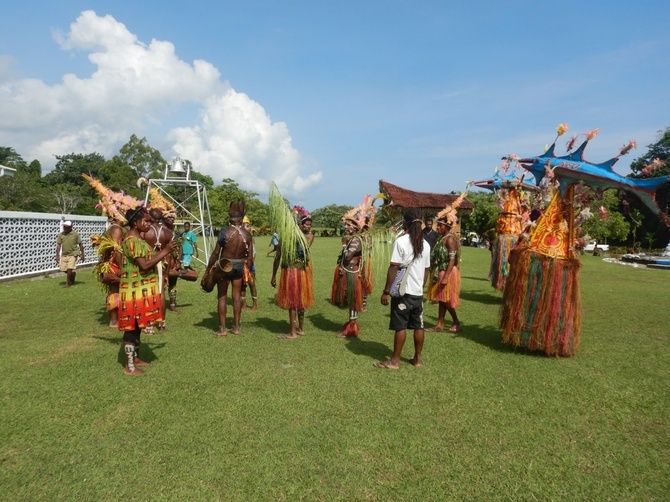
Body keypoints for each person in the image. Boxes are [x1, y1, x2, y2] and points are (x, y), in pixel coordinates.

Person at [117, 206, 177, 375]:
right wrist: (165, 251)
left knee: (137, 326)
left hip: (140, 291)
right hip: (132, 293)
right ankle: (129, 367)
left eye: (151, 221)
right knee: (131, 328)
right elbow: (144, 266)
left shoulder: (139, 240)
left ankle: (135, 359)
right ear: (136, 223)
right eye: (146, 221)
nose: (149, 224)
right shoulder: (131, 242)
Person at [376, 208, 431, 369]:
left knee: (400, 326)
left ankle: (394, 361)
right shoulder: (426, 244)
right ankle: (417, 359)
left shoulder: (401, 241)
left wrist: (386, 292)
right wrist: (421, 286)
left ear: (405, 222)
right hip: (417, 293)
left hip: (403, 292)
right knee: (418, 326)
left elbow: (393, 268)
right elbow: (426, 269)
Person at [204, 200, 253, 336]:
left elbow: (216, 253)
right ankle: (236, 328)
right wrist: (247, 270)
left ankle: (222, 329)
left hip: (225, 266)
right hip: (239, 266)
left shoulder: (225, 231)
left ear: (230, 218)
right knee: (236, 297)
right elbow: (250, 257)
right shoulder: (247, 234)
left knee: (222, 296)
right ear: (241, 219)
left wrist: (208, 269)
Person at [271, 211, 314, 339]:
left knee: (293, 301)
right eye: (305, 225)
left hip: (292, 272)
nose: (307, 227)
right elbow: (277, 257)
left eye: (308, 225)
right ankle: (300, 329)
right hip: (299, 271)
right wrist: (273, 275)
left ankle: (293, 332)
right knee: (299, 300)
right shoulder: (293, 237)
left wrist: (273, 276)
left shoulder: (304, 237)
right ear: (299, 224)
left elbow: (278, 257)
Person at [426, 216, 462, 333]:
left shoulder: (450, 239)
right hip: (441, 270)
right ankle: (440, 324)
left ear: (447, 227)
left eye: (440, 225)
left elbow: (452, 260)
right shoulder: (441, 238)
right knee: (441, 299)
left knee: (446, 299)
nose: (438, 227)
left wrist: (446, 276)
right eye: (438, 225)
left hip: (448, 271)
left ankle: (456, 321)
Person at [55, 221, 85, 288]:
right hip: (64, 254)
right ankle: (72, 275)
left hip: (73, 253)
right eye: (64, 227)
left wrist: (82, 255)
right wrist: (57, 256)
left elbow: (80, 245)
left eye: (67, 227)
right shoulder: (61, 235)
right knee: (63, 269)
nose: (65, 228)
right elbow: (58, 246)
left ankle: (68, 283)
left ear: (71, 227)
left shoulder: (75, 234)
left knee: (69, 268)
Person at [241, 216, 258, 311]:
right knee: (242, 285)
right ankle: (243, 303)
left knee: (252, 284)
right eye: (246, 226)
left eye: (249, 226)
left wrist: (249, 264)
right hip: (241, 265)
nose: (249, 228)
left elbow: (254, 253)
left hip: (250, 265)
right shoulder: (239, 238)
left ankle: (254, 304)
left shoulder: (251, 239)